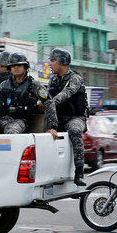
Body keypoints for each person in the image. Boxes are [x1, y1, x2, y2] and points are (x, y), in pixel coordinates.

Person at [43, 48, 88, 186]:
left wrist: (51, 102)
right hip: (59, 118)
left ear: (62, 62)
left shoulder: (75, 78)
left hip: (76, 117)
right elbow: (47, 96)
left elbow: (67, 93)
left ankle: (79, 173)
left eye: (52, 61)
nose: (50, 64)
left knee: (74, 130)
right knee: (45, 135)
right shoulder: (53, 79)